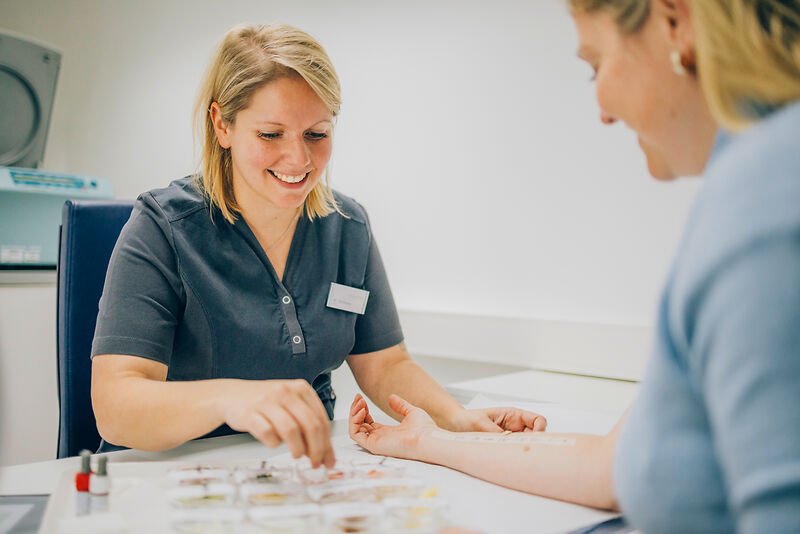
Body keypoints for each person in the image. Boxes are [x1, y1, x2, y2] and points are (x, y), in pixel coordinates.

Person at [349, 1, 800, 532]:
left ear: (674, 21)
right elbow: (615, 466)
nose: (602, 109)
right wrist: (433, 441)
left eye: (596, 65)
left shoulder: (767, 197)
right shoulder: (754, 179)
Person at [90, 23, 546, 466]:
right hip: (173, 476)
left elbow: (384, 365)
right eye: (271, 135)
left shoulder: (346, 227)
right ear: (221, 126)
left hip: (300, 471)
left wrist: (458, 418)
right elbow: (115, 408)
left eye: (317, 133)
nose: (299, 159)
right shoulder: (163, 228)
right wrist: (231, 398)